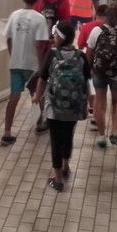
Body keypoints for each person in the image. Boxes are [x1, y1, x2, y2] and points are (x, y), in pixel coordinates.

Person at [32, 20, 91, 192]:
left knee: (56, 140)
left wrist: (37, 96)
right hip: (73, 107)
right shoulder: (80, 56)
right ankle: (65, 166)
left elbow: (43, 79)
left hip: (54, 107)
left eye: (56, 35)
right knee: (68, 136)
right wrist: (87, 103)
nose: (53, 37)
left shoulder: (52, 55)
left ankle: (57, 179)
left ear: (62, 38)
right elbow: (87, 81)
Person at [1, 0, 50, 146]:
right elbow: (40, 44)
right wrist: (42, 67)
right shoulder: (39, 18)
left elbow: (8, 38)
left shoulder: (14, 15)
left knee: (13, 97)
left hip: (16, 64)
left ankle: (7, 132)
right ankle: (39, 124)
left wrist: (13, 55)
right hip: (33, 66)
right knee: (37, 94)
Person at [86, 4, 117, 148]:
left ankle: (101, 136)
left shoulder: (96, 31)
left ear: (106, 16)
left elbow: (89, 53)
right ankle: (115, 132)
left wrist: (89, 69)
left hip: (99, 71)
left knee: (100, 102)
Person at [78, 4, 108, 127]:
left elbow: (80, 45)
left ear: (96, 14)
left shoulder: (86, 27)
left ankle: (91, 107)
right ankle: (97, 116)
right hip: (104, 63)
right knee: (101, 91)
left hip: (89, 60)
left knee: (91, 85)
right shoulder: (109, 28)